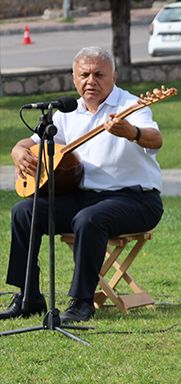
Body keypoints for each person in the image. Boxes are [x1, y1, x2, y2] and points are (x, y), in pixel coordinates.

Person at [4, 46, 164, 323]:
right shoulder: (67, 112)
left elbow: (155, 139)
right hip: (84, 197)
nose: (91, 81)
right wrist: (18, 151)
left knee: (88, 219)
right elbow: (29, 143)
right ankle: (28, 296)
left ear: (114, 76)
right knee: (24, 212)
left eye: (99, 74)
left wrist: (132, 132)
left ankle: (81, 302)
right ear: (74, 78)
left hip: (136, 199)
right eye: (85, 75)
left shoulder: (131, 105)